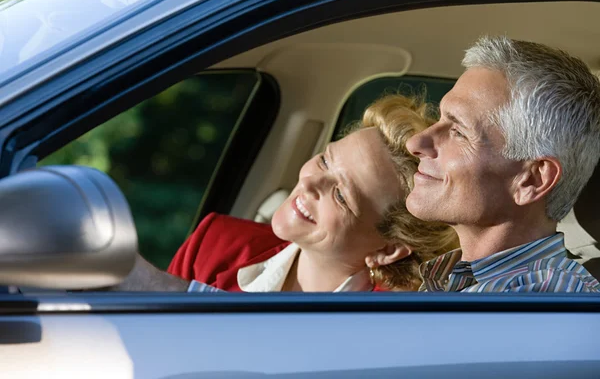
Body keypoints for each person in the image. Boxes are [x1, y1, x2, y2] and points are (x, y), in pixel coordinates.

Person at [115, 94, 458, 292]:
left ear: (388, 249)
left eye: (341, 195)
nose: (310, 183)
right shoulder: (214, 242)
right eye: (325, 161)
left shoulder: (396, 328)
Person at [406, 36, 600, 292]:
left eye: (459, 132)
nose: (415, 142)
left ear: (532, 180)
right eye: (439, 118)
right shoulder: (465, 284)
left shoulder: (544, 298)